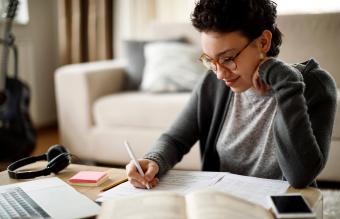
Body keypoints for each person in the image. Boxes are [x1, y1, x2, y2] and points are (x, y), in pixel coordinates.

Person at [126, 0, 337, 189]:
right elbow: (175, 139)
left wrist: (285, 82)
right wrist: (154, 160)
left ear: (263, 42)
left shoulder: (314, 85)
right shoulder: (213, 84)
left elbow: (300, 177)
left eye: (227, 58)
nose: (219, 74)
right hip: (222, 205)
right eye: (211, 61)